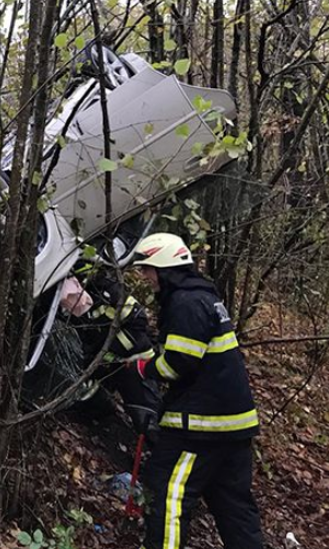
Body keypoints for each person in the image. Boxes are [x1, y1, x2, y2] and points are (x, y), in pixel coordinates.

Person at [130, 233, 262, 549]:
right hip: (234, 427)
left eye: (148, 269)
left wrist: (143, 369)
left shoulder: (185, 303)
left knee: (169, 498)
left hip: (200, 428)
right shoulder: (205, 297)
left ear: (164, 267)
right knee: (234, 509)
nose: (145, 277)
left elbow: (178, 364)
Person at [63, 271, 160, 435]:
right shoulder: (65, 307)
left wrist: (108, 351)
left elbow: (138, 320)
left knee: (147, 418)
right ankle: (105, 424)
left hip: (134, 361)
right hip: (103, 363)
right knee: (87, 394)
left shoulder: (109, 290)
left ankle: (156, 446)